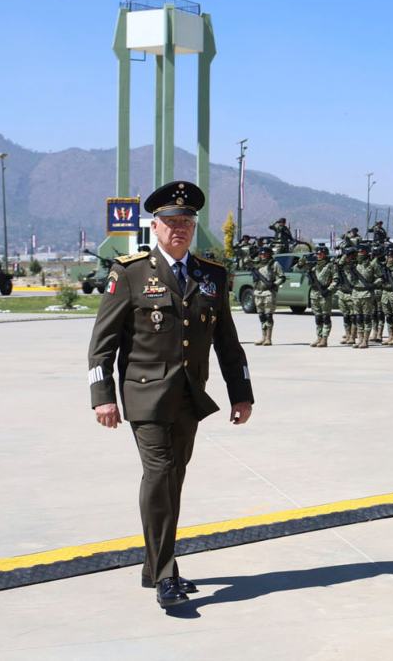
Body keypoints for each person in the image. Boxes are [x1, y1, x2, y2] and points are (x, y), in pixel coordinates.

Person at [87, 181, 254, 609]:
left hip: (188, 396)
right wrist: (102, 396)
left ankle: (152, 565)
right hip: (144, 396)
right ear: (155, 226)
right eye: (171, 222)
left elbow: (228, 344)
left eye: (187, 222)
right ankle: (165, 574)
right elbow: (102, 344)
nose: (179, 229)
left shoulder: (210, 275)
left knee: (173, 480)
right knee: (160, 475)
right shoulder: (130, 273)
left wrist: (242, 394)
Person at [299, 245, 336, 347]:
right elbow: (297, 268)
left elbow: (336, 280)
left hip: (325, 293)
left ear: (325, 254)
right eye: (317, 254)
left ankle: (324, 339)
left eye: (320, 254)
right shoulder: (313, 265)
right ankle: (319, 337)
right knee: (318, 317)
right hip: (314, 293)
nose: (318, 255)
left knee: (326, 317)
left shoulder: (330, 266)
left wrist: (328, 290)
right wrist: (302, 261)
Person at [251, 244, 286, 346]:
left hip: (268, 293)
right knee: (261, 316)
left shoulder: (274, 264)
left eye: (265, 254)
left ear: (269, 254)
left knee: (268, 315)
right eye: (261, 254)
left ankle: (268, 338)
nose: (263, 255)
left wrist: (274, 285)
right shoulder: (257, 264)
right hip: (258, 292)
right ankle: (263, 336)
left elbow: (282, 277)